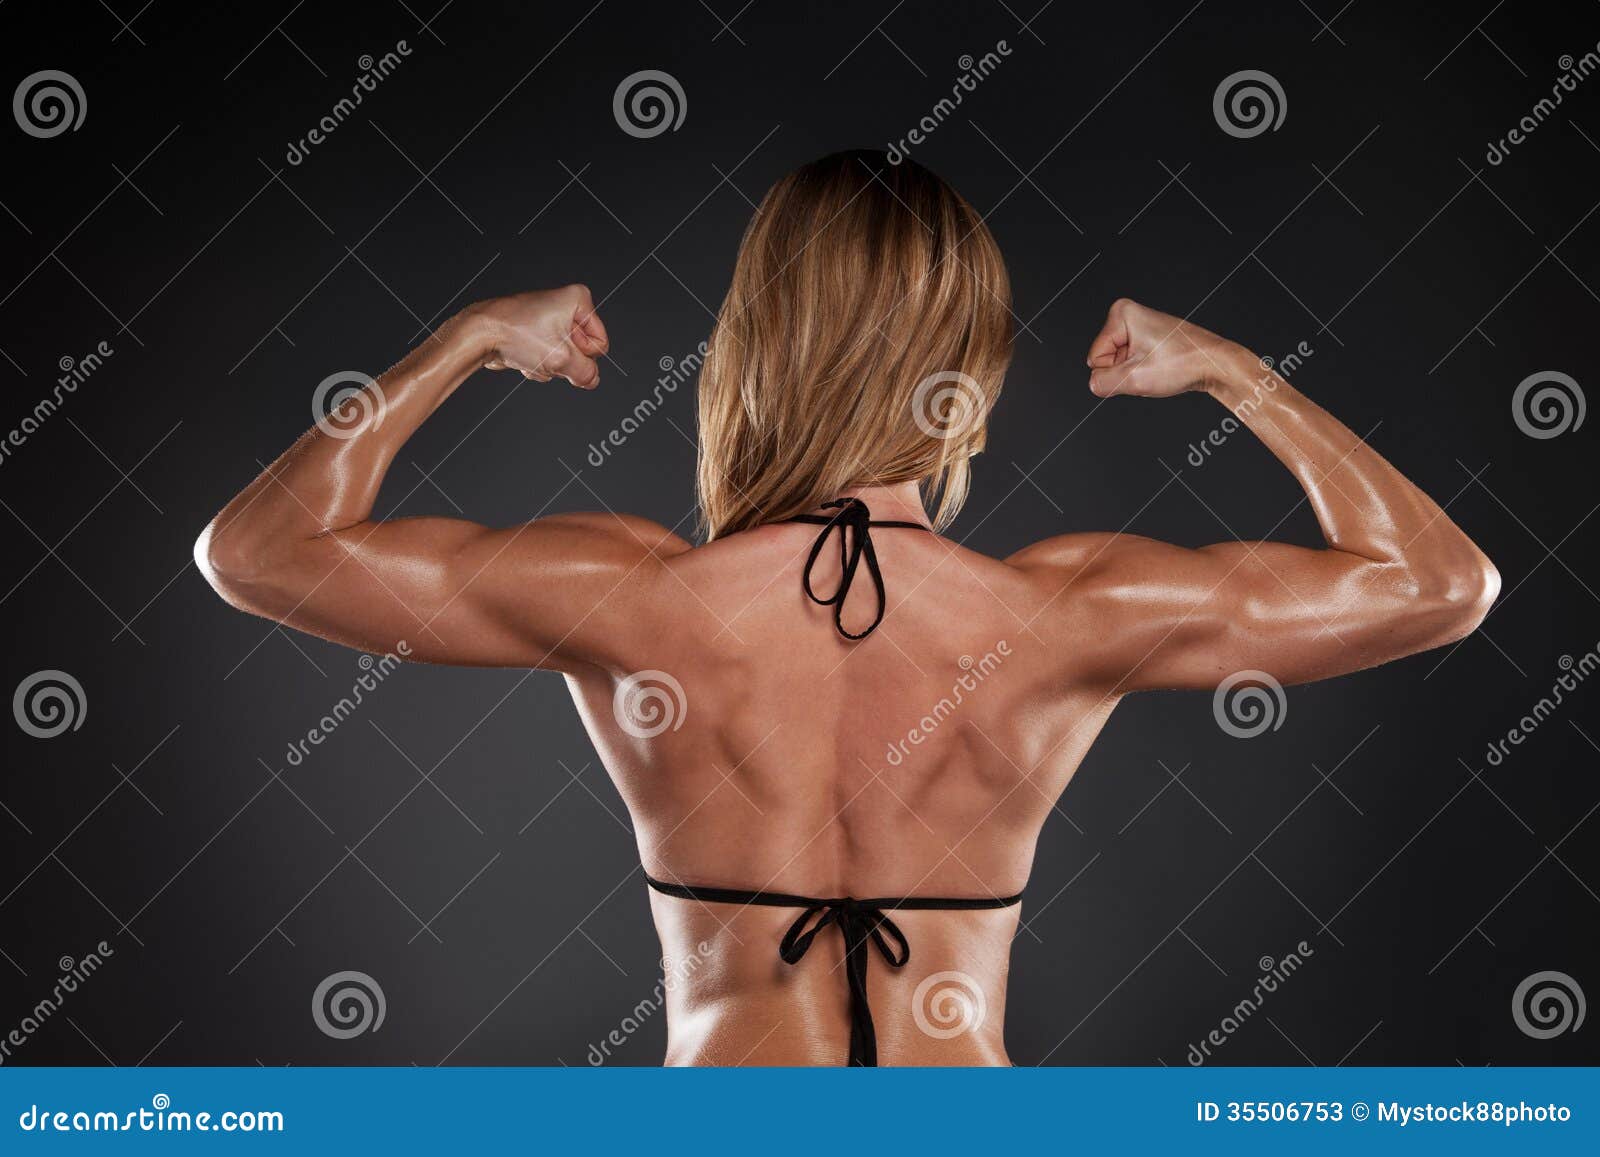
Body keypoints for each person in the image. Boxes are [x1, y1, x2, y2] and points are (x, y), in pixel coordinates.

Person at [197, 150, 1498, 1066]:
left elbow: (259, 551)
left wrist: (470, 338)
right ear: (968, 379)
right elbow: (1439, 582)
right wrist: (1235, 373)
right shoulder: (1059, 609)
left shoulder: (638, 595)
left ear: (752, 350)